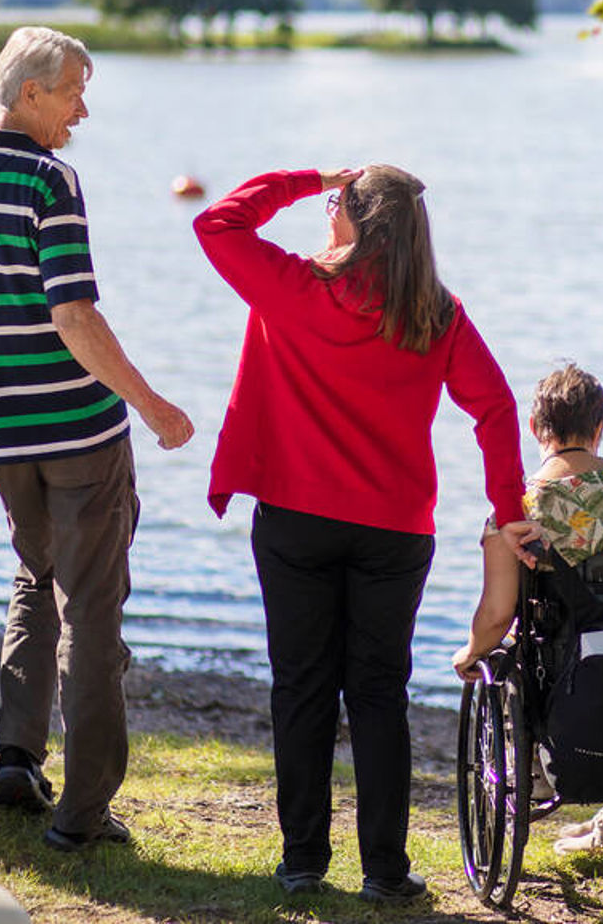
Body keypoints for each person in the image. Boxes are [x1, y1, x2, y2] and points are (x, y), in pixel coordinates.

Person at [194, 165, 536, 903]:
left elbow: (216, 223)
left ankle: (303, 862)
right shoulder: (435, 312)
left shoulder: (296, 287)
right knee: (379, 694)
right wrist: (508, 507)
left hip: (295, 519)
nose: (324, 213)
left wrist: (304, 177)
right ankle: (385, 870)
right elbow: (496, 407)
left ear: (353, 218)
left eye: (332, 206)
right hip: (393, 530)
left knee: (303, 687)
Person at [0, 26, 195, 853]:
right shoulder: (49, 179)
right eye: (75, 88)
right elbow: (74, 314)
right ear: (28, 92)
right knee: (94, 613)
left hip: (0, 435)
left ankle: (15, 755)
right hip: (79, 433)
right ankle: (81, 816)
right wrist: (151, 406)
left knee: (35, 578)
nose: (84, 107)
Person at [450, 363, 603, 856]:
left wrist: (468, 653)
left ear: (534, 429)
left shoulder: (519, 506)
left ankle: (535, 776)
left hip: (558, 655)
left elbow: (498, 614)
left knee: (506, 652)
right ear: (600, 427)